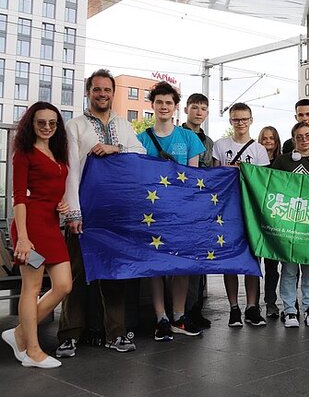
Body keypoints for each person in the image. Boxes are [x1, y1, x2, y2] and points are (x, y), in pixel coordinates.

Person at [56, 69, 145, 358]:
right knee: (78, 274)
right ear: (88, 92)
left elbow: (140, 154)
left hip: (116, 213)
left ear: (113, 93)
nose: (102, 94)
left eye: (107, 90)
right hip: (84, 212)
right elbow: (69, 170)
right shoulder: (75, 126)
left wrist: (115, 147)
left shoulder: (123, 125)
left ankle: (116, 334)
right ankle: (69, 335)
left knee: (114, 274)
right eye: (97, 89)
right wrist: (73, 213)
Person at [3, 103, 72, 368]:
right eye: (41, 123)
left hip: (51, 226)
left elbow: (49, 189)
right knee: (31, 289)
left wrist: (61, 204)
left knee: (64, 285)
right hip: (29, 228)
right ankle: (32, 350)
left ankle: (19, 333)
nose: (47, 127)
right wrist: (22, 237)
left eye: (52, 123)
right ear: (31, 124)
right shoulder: (24, 153)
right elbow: (19, 198)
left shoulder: (57, 151)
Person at [137, 81, 205, 340]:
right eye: (159, 102)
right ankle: (160, 318)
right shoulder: (141, 139)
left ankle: (179, 315)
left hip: (181, 211)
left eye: (168, 103)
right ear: (152, 105)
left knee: (182, 262)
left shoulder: (189, 138)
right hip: (152, 211)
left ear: (176, 107)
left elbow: (195, 177)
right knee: (156, 264)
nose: (164, 107)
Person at [213, 103, 270, 328]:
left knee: (251, 258)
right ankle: (234, 308)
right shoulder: (220, 145)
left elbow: (263, 181)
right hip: (227, 209)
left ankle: (252, 307)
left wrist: (243, 172)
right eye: (236, 119)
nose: (240, 123)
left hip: (251, 209)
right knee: (230, 259)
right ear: (230, 121)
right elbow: (216, 176)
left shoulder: (258, 150)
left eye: (244, 119)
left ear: (251, 120)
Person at [272, 122, 309, 327]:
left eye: (307, 135)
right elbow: (270, 186)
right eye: (299, 136)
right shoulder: (282, 161)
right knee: (288, 270)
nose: (304, 139)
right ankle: (289, 310)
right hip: (288, 225)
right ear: (293, 139)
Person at [182, 93, 214, 329]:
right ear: (186, 110)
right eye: (195, 107)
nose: (199, 112)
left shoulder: (209, 142)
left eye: (203, 108)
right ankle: (181, 311)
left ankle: (195, 309)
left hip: (202, 205)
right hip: (180, 203)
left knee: (200, 259)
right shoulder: (177, 135)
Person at [257, 125, 282, 319]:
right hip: (258, 217)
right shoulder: (255, 161)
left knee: (275, 264)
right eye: (264, 138)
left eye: (271, 138)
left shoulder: (283, 161)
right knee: (258, 263)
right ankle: (260, 302)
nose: (268, 142)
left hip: (278, 219)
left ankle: (274, 302)